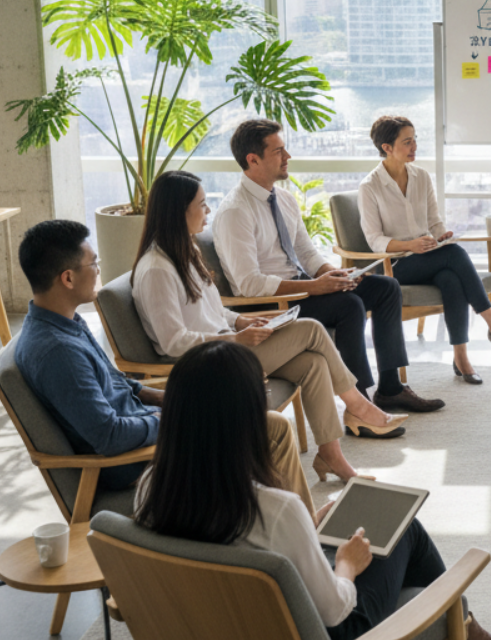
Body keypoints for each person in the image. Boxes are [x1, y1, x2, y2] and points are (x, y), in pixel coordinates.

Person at [133, 341, 491, 640]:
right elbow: (335, 611)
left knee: (371, 531)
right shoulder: (275, 510)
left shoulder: (151, 488)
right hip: (332, 637)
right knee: (404, 529)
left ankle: (467, 631)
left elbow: (244, 547)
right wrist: (345, 566)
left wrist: (305, 529)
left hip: (218, 629)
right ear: (246, 417)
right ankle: (465, 630)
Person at [12, 220, 315, 516]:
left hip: (147, 434)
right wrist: (175, 417)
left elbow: (119, 384)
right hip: (137, 463)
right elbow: (108, 435)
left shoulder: (65, 324)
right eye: (93, 264)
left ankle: (294, 531)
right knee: (268, 430)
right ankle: (297, 535)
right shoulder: (59, 351)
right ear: (67, 278)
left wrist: (169, 399)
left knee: (267, 422)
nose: (98, 270)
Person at [132, 171, 406, 484]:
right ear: (177, 211)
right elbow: (173, 342)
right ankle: (358, 405)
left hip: (226, 346)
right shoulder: (157, 270)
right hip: (206, 364)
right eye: (202, 205)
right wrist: (236, 338)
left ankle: (332, 456)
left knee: (313, 363)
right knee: (312, 329)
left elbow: (209, 309)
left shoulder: (185, 252)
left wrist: (240, 320)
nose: (207, 211)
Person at [213, 119, 443, 414]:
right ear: (253, 159)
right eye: (279, 151)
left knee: (385, 287)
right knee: (348, 305)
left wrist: (329, 273)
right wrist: (314, 286)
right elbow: (249, 285)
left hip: (303, 289)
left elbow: (306, 252)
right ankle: (359, 405)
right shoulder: (236, 211)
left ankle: (390, 389)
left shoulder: (282, 198)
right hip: (271, 306)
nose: (288, 157)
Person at [358, 116, 491, 384]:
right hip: (396, 265)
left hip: (427, 257)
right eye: (407, 142)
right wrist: (410, 245)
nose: (414, 145)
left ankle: (461, 357)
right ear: (387, 147)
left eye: (415, 138)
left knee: (451, 277)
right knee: (455, 255)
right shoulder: (370, 187)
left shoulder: (421, 176)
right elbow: (374, 240)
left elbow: (434, 221)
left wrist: (441, 235)